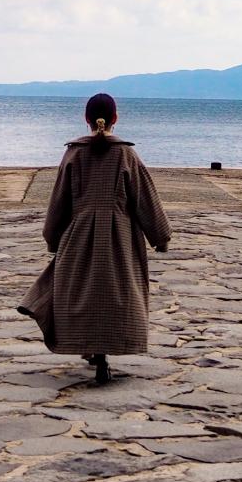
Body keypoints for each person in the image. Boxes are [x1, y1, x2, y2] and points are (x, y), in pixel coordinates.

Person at [18, 93, 172, 384]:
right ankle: (104, 350)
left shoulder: (74, 154)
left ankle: (90, 347)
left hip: (78, 235)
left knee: (81, 292)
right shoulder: (126, 155)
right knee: (112, 292)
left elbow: (59, 201)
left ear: (86, 119)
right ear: (115, 118)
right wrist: (160, 237)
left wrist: (52, 237)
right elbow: (145, 200)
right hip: (121, 239)